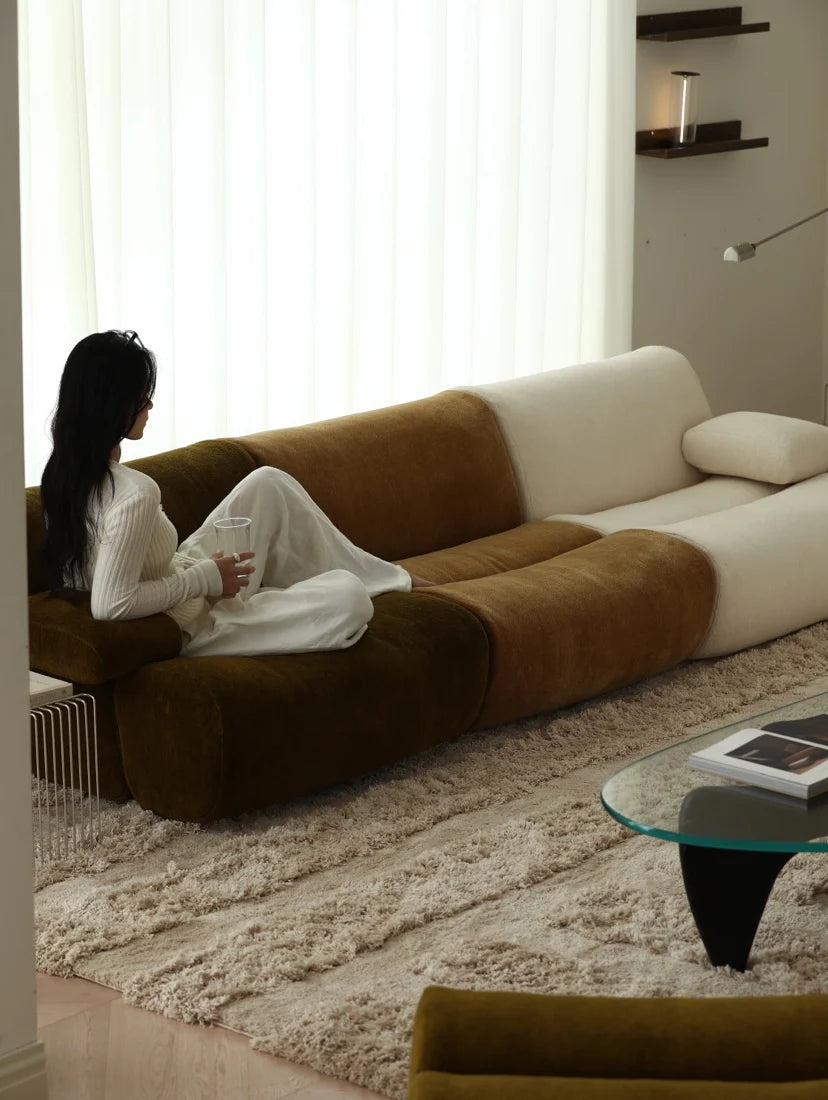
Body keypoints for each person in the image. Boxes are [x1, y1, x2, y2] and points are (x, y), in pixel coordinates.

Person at [40, 329, 433, 658]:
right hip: (192, 624)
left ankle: (389, 577)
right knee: (348, 597)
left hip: (185, 580)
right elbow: (110, 605)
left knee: (268, 484)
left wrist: (203, 572)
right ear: (113, 405)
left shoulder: (63, 473)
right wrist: (206, 579)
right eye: (142, 397)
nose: (150, 405)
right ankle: (331, 588)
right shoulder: (135, 494)